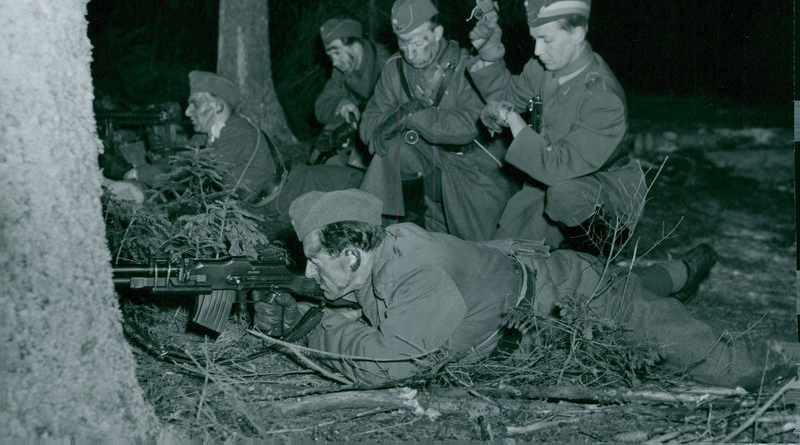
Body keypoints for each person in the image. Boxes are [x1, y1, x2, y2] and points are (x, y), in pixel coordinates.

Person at [254, 189, 793, 389]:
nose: (308, 272)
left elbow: (389, 365)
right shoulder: (378, 250)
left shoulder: (416, 270)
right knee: (640, 284)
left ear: (352, 252)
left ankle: (773, 347)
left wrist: (323, 325)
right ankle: (684, 269)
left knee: (717, 361)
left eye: (314, 260)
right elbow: (364, 294)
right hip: (536, 286)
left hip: (564, 299)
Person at [468, 0, 645, 256]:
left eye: (547, 40)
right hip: (543, 189)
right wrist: (490, 54)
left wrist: (514, 120)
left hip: (604, 199)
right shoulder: (542, 69)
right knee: (500, 262)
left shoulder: (603, 97)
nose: (537, 50)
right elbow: (505, 98)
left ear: (577, 33)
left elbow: (556, 165)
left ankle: (594, 259)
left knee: (566, 196)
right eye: (534, 39)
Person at [359, 0, 515, 241]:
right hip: (427, 160)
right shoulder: (394, 70)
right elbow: (368, 125)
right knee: (393, 148)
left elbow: (468, 125)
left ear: (437, 33)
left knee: (482, 252)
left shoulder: (468, 65)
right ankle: (403, 232)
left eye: (418, 42)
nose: (410, 53)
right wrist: (391, 120)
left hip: (472, 166)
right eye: (403, 43)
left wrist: (412, 116)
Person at [124, 71, 363, 220]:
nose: (187, 112)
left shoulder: (238, 133)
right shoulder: (210, 135)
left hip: (311, 192)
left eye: (195, 104)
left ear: (217, 107)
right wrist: (137, 172)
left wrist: (141, 176)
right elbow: (180, 160)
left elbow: (190, 173)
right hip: (276, 203)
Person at [311, 18, 390, 167]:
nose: (334, 62)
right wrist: (341, 104)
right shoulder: (342, 71)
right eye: (331, 56)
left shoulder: (386, 63)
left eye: (337, 53)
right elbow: (321, 107)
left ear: (355, 46)